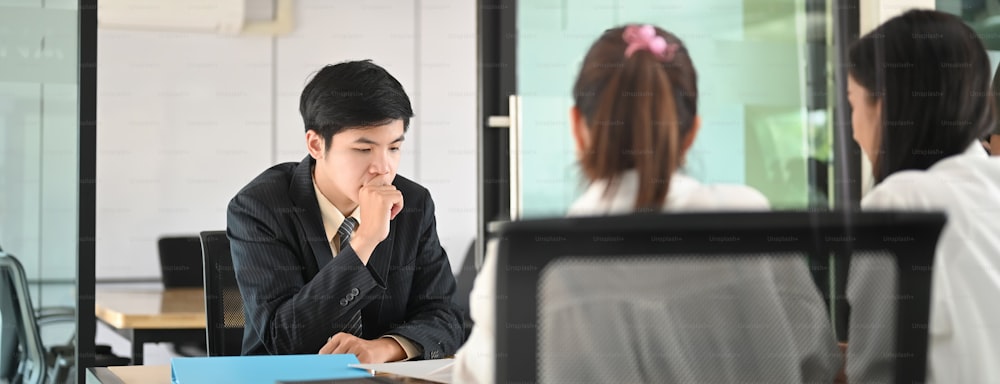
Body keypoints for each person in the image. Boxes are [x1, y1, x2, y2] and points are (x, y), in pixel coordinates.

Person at [453, 24, 840, 383]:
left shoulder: (522, 259)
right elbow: (818, 363)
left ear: (576, 127)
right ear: (690, 134)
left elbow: (480, 375)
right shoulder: (750, 222)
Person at [227, 60, 464, 363]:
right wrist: (364, 240)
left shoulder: (414, 204)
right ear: (315, 144)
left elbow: (447, 317)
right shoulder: (260, 208)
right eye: (363, 149)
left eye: (393, 147)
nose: (383, 167)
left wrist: (383, 348)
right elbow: (284, 338)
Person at [845, 10, 1000, 383]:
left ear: (885, 106)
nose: (852, 130)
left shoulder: (901, 204)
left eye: (852, 104)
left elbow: (874, 371)